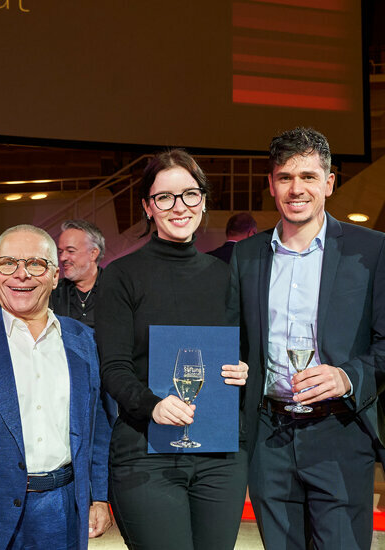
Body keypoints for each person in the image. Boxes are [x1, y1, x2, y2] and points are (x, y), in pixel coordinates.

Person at [228, 128, 385, 549]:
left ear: (328, 182)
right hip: (269, 436)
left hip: (339, 432)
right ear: (271, 185)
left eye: (308, 176)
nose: (296, 188)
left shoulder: (372, 249)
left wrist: (347, 378)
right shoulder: (246, 256)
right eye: (285, 177)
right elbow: (234, 341)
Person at [96, 149, 249, 550]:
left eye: (190, 194)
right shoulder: (121, 276)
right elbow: (113, 368)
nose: (179, 207)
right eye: (165, 197)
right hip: (146, 451)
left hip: (219, 456)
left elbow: (242, 353)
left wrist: (243, 371)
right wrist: (153, 405)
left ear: (203, 201)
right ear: (148, 207)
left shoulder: (227, 277)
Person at [0, 224, 112, 550]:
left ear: (55, 276)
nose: (21, 274)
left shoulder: (83, 341)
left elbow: (97, 428)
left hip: (64, 512)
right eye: (8, 263)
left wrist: (98, 497)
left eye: (36, 264)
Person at [0, 219, 106, 328]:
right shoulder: (46, 288)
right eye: (60, 252)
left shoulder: (115, 289)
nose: (63, 258)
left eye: (70, 251)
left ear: (93, 253)